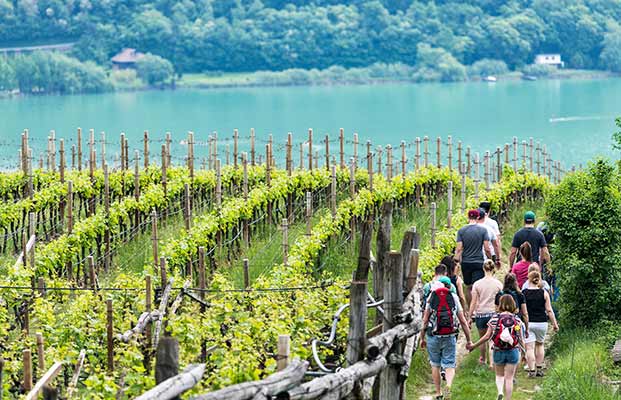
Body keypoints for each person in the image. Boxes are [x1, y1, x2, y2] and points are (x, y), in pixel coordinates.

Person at [421, 278, 473, 400]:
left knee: (435, 364)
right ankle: (448, 386)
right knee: (449, 364)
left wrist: (422, 338)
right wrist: (469, 340)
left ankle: (438, 393)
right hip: (450, 335)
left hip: (433, 336)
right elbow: (463, 321)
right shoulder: (453, 297)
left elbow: (425, 321)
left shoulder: (431, 298)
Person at [467, 295, 526, 400]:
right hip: (513, 351)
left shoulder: (495, 318)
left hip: (498, 350)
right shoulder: (517, 319)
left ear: (499, 305)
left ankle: (500, 392)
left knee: (499, 375)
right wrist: (524, 353)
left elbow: (487, 336)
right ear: (513, 305)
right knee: (509, 378)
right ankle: (507, 398)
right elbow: (521, 338)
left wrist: (474, 346)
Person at [523, 270, 559, 378]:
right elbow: (549, 310)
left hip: (529, 323)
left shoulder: (524, 293)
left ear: (529, 279)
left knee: (529, 348)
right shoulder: (544, 293)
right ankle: (539, 369)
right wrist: (555, 324)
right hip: (542, 323)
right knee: (540, 345)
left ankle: (531, 370)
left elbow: (522, 311)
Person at [469, 259, 503, 366]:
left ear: (483, 268)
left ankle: (483, 359)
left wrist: (469, 317)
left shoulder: (477, 284)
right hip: (493, 313)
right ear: (493, 269)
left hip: (480, 314)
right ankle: (492, 363)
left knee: (482, 338)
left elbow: (473, 302)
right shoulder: (498, 284)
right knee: (492, 339)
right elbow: (500, 300)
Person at [454, 209, 492, 305]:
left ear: (468, 217)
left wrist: (456, 260)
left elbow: (459, 249)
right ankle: (477, 308)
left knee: (468, 287)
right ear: (478, 217)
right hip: (478, 261)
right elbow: (487, 248)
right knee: (478, 287)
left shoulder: (461, 231)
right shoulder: (483, 230)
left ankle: (470, 309)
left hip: (466, 262)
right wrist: (490, 259)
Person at [479, 202, 502, 269]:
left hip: (478, 254)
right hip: (491, 252)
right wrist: (499, 255)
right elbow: (497, 240)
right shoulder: (493, 223)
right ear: (489, 210)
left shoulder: (475, 223)